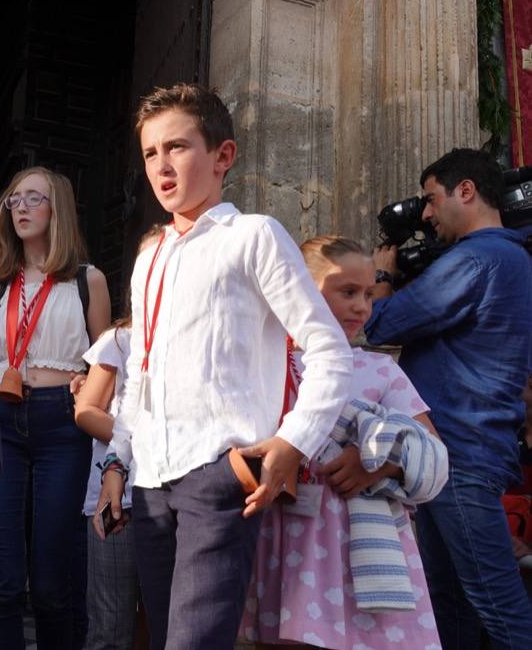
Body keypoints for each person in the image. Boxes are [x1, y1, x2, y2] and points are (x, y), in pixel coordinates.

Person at [98, 83, 353, 649]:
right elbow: (140, 370)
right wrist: (118, 459)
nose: (161, 166)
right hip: (151, 480)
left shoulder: (254, 236)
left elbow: (329, 349)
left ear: (223, 155)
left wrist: (293, 442)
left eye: (177, 147)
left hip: (218, 472)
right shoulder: (148, 258)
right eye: (150, 153)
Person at [239, 236, 447, 648]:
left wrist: (374, 461)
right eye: (348, 292)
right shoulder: (263, 363)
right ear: (298, 290)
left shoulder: (379, 369)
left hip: (356, 544)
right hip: (279, 530)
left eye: (368, 294)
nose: (362, 307)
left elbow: (432, 450)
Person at [365, 148, 532, 648]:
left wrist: (382, 276)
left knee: (498, 606)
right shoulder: (511, 258)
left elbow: (381, 324)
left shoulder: (477, 259)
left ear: (467, 191)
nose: (427, 214)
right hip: (454, 454)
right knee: (449, 604)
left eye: (432, 199)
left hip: (460, 451)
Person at [0, 166, 110, 650]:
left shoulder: (87, 280)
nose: (22, 208)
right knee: (3, 581)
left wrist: (89, 384)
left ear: (59, 210)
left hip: (62, 423)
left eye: (35, 198)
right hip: (3, 419)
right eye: (14, 200)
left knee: (53, 583)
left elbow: (107, 363)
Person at [75, 316, 144, 650]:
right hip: (119, 503)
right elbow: (86, 410)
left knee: (167, 622)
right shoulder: (119, 339)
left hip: (179, 495)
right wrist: (142, 442)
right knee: (110, 626)